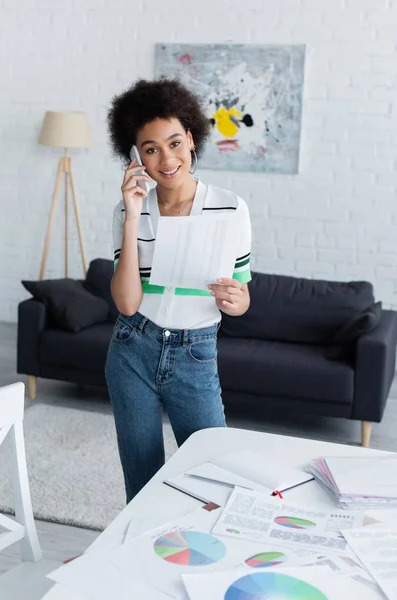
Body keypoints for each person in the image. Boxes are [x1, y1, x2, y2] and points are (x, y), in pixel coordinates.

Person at [105, 78, 252, 503]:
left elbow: (240, 296)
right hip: (133, 347)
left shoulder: (231, 208)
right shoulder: (128, 210)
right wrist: (133, 217)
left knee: (213, 476)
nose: (166, 158)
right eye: (151, 149)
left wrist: (237, 301)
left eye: (174, 143)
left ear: (191, 138)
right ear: (136, 158)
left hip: (195, 352)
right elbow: (128, 302)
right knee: (142, 477)